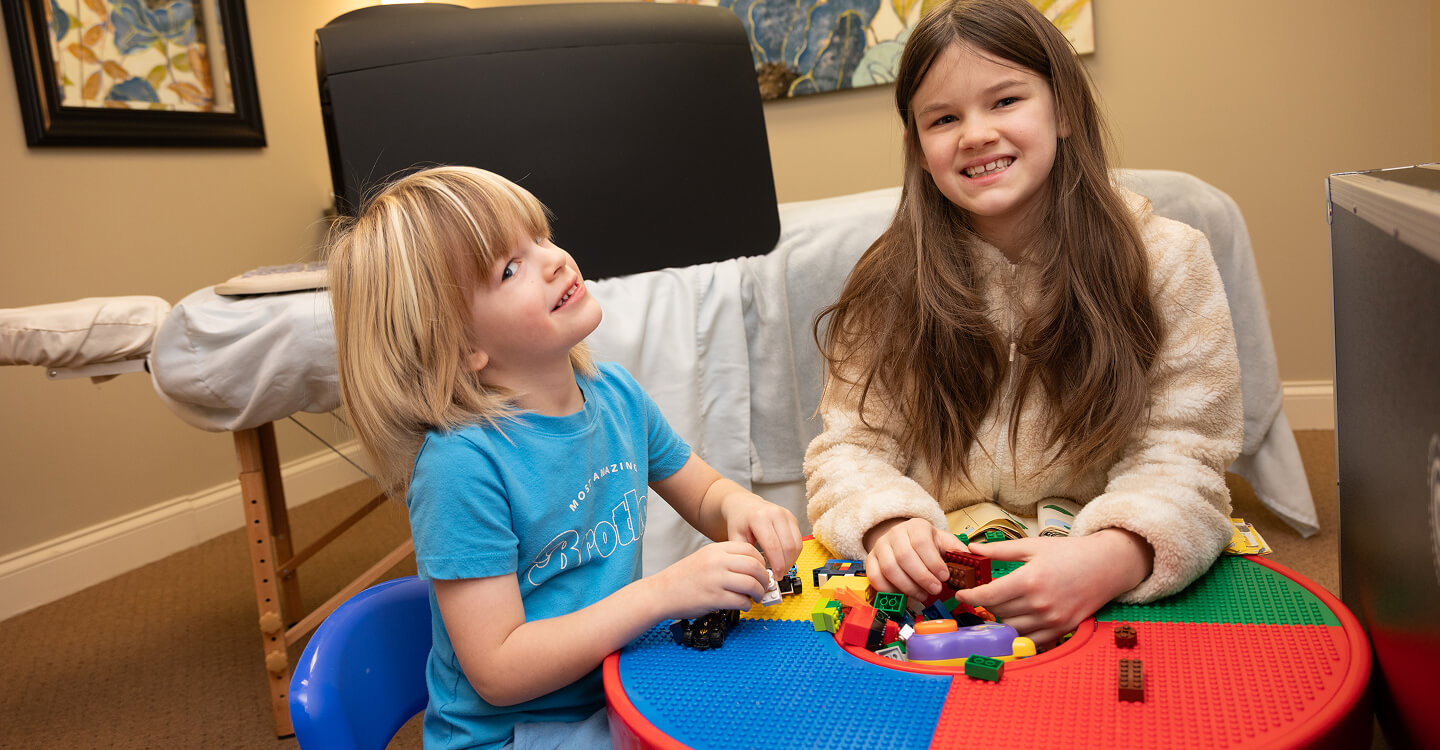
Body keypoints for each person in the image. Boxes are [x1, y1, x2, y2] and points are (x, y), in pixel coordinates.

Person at [804, 0, 1243, 646]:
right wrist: (887, 525)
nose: (975, 133)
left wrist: (1112, 555)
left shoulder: (1168, 261)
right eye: (944, 118)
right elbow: (851, 449)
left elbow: (1187, 454)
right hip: (945, 595)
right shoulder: (890, 285)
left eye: (1005, 101)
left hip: (1107, 582)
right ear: (919, 149)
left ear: (1063, 109)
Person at [328, 165, 802, 749]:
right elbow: (499, 671)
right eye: (509, 268)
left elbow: (704, 494)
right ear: (463, 346)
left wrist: (743, 508)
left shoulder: (617, 396)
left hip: (614, 689)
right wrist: (659, 594)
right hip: (517, 733)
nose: (553, 260)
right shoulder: (461, 467)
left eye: (540, 238)